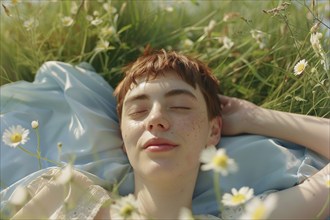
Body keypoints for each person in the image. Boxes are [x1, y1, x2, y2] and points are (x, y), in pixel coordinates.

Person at [2, 49, 329, 219]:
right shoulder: (67, 192)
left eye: (181, 107)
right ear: (122, 134)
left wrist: (255, 117)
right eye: (138, 111)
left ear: (213, 130)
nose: (156, 120)